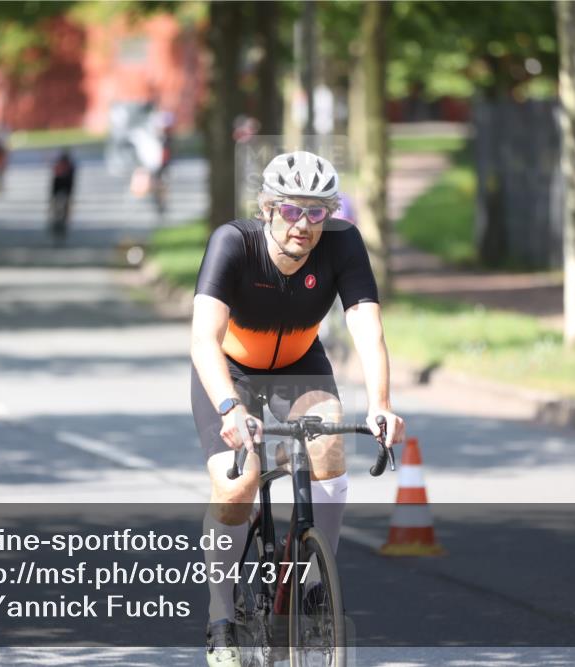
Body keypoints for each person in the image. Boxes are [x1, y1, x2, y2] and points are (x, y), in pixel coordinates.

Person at [190, 151, 405, 666]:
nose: (303, 225)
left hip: (299, 363)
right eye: (290, 210)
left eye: (316, 212)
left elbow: (367, 328)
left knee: (329, 440)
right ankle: (221, 618)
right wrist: (228, 407)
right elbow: (203, 339)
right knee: (238, 481)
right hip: (232, 371)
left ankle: (314, 583)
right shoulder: (233, 243)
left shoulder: (344, 243)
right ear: (266, 208)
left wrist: (380, 403)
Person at [49, 149, 76, 243]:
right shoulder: (67, 166)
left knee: (62, 205)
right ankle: (58, 219)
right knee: (59, 205)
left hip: (63, 186)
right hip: (60, 186)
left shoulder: (69, 167)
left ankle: (61, 220)